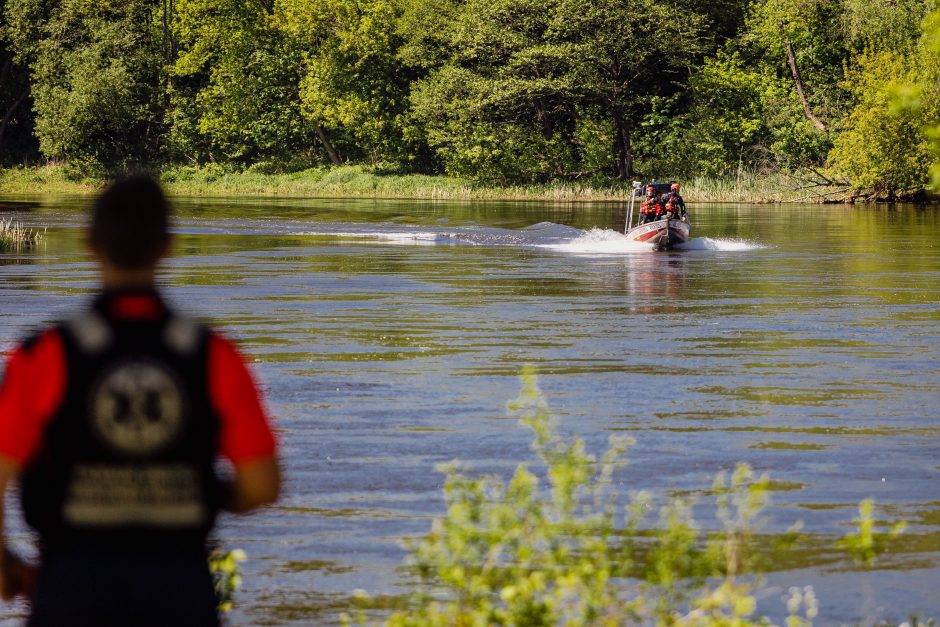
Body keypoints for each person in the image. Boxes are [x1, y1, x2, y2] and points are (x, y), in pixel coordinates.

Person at [0, 176, 280, 626]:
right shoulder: (213, 353)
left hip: (71, 586)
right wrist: (196, 488)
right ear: (168, 245)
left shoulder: (43, 354)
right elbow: (262, 486)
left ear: (89, 244)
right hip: (179, 589)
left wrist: (6, 569)